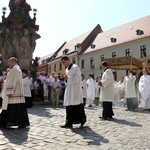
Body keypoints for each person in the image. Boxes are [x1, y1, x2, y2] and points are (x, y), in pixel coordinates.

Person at [0, 57, 30, 128]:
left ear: (13, 62)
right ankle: (21, 122)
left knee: (11, 108)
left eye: (9, 62)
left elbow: (12, 81)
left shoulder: (15, 70)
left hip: (13, 93)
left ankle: (8, 122)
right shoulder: (16, 69)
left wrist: (9, 91)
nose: (8, 64)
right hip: (16, 92)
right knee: (18, 108)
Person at [60, 55, 86, 128]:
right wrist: (65, 79)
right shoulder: (66, 69)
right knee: (68, 107)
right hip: (69, 90)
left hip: (75, 90)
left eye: (64, 62)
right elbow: (66, 81)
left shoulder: (75, 67)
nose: (63, 64)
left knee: (76, 106)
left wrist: (68, 78)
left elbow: (78, 78)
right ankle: (69, 123)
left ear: (68, 60)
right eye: (62, 63)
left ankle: (82, 120)